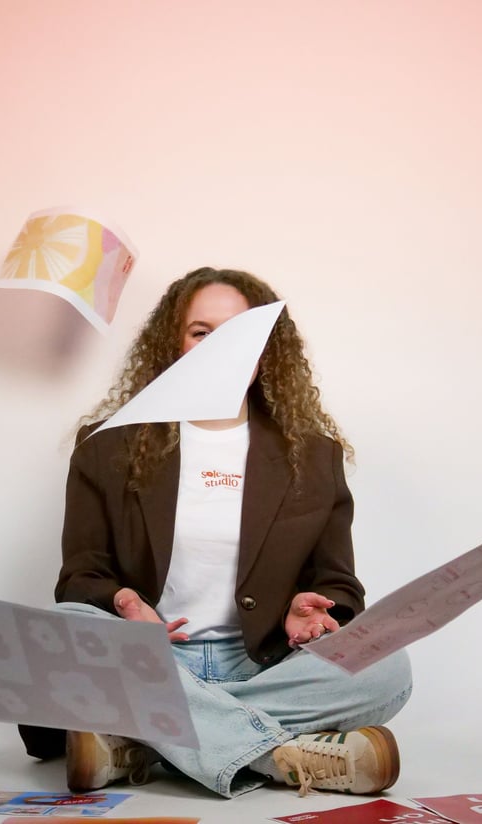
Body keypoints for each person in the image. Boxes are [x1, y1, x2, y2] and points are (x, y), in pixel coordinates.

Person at [31, 266, 412, 799]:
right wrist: (122, 602)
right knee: (62, 629)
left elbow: (339, 582)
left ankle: (139, 743)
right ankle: (284, 757)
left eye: (238, 333)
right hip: (153, 659)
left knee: (389, 666)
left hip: (264, 664)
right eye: (201, 331)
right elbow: (79, 576)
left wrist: (313, 609)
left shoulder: (312, 455)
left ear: (265, 349)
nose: (219, 347)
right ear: (174, 343)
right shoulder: (107, 445)